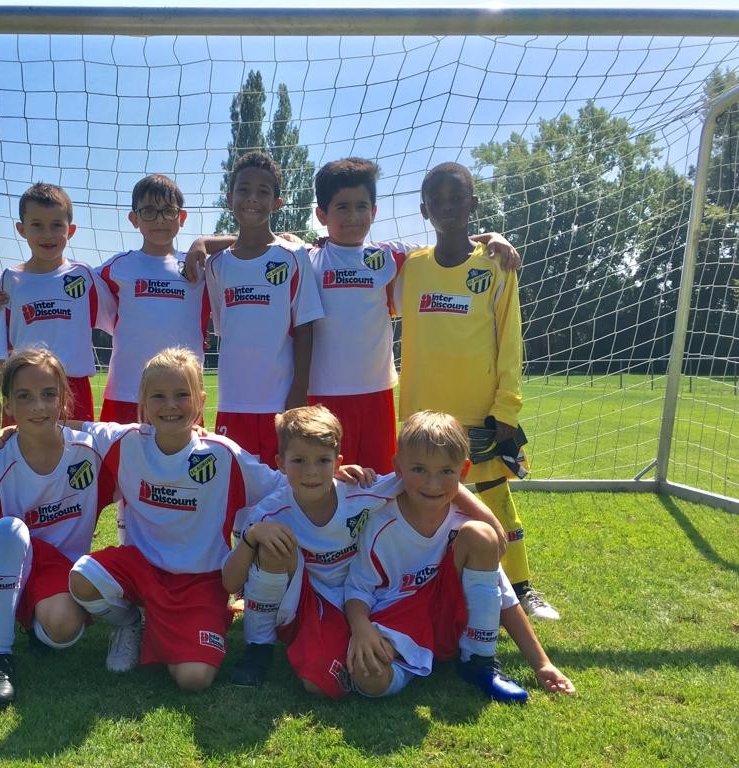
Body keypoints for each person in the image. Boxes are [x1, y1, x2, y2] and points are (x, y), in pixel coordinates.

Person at [187, 157, 519, 473]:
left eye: (361, 207)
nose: (352, 216)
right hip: (320, 396)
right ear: (322, 215)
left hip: (377, 395)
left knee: (378, 482)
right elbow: (257, 241)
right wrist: (203, 242)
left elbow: (448, 240)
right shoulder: (305, 257)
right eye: (342, 207)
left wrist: (491, 237)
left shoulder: (390, 257)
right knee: (326, 482)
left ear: (374, 211)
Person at [222, 405, 507, 695]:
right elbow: (231, 583)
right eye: (299, 460)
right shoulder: (269, 512)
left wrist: (490, 522)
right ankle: (258, 648)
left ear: (338, 463)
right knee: (273, 545)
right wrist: (252, 536)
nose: (311, 472)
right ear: (280, 463)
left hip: (357, 602)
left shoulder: (361, 491)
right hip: (302, 604)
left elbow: (437, 480)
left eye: (322, 460)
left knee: (320, 684)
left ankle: (443, 659)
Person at [67, 347, 288, 691]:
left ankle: (189, 624)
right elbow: (71, 428)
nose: (170, 405)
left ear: (200, 400)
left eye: (182, 394)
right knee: (82, 578)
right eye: (158, 396)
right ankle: (130, 623)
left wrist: (338, 477)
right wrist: (16, 430)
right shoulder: (125, 441)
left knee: (193, 679)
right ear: (142, 402)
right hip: (141, 568)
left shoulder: (222, 454)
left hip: (202, 581)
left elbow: (281, 486)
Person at [395, 161, 558, 620]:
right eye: (437, 201)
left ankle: (522, 588)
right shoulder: (411, 268)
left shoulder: (497, 265)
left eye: (457, 198)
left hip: (480, 412)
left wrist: (506, 407)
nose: (447, 207)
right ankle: (422, 587)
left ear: (474, 203)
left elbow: (510, 339)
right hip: (421, 415)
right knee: (422, 503)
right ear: (424, 210)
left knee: (495, 498)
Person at [344, 411, 575, 702]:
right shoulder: (379, 522)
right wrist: (361, 629)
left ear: (463, 471)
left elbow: (503, 595)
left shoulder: (463, 522)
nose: (433, 484)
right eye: (419, 469)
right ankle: (409, 664)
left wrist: (542, 664)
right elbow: (358, 589)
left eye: (446, 471)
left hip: (451, 619)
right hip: (399, 621)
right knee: (368, 677)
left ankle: (479, 662)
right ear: (398, 468)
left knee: (482, 534)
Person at [0, 347, 113, 709]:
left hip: (57, 572)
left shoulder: (89, 452)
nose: (38, 406)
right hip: (1, 566)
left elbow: (141, 447)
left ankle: (33, 623)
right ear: (8, 404)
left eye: (48, 394)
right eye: (24, 397)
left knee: (64, 628)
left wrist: (187, 433)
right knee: (9, 531)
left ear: (64, 399)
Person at [0, 174, 209, 425]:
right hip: (124, 391)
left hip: (181, 391)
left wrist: (203, 242)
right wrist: (5, 296)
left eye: (168, 211)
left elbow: (244, 248)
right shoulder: (106, 271)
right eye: (149, 211)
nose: (159, 219)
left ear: (182, 217)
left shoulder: (200, 268)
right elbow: (55, 286)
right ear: (134, 219)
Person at [203, 151, 324, 465]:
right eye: (244, 189)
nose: (252, 198)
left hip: (280, 402)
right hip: (232, 402)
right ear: (229, 198)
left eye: (263, 191)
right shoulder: (216, 265)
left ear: (277, 202)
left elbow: (304, 327)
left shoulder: (294, 256)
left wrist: (299, 391)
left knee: (284, 482)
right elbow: (225, 328)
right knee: (237, 483)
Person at [0, 182, 110, 434]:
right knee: (23, 455)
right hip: (23, 388)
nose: (47, 234)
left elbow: (119, 317)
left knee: (77, 455)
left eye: (56, 225)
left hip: (74, 389)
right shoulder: (11, 280)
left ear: (70, 230)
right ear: (21, 229)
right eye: (37, 225)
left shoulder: (83, 276)